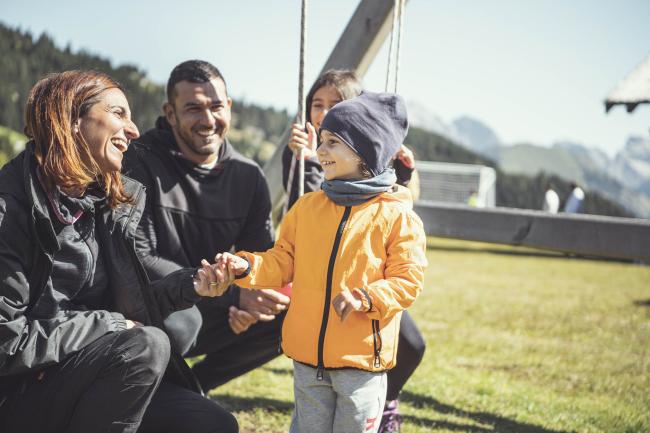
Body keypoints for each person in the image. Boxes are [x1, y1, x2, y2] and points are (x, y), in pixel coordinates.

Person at [0, 70, 237, 433]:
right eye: (119, 114)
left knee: (211, 423)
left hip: (91, 371)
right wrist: (107, 324)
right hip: (22, 391)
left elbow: (129, 308)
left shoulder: (102, 203)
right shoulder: (10, 209)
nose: (134, 130)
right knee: (147, 345)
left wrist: (193, 286)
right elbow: (7, 343)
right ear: (72, 121)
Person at [212, 91, 428, 433]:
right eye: (321, 141)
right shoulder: (307, 208)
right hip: (308, 359)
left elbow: (407, 281)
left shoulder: (397, 216)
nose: (320, 150)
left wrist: (367, 297)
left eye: (332, 142)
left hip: (360, 365)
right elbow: (282, 261)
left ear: (364, 151)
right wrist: (247, 267)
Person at [123, 59, 289, 391]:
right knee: (184, 323)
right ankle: (157, 391)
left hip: (215, 300)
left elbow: (260, 258)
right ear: (170, 113)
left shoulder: (248, 176)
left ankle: (193, 388)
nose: (208, 120)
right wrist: (231, 298)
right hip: (152, 303)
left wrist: (250, 297)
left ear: (229, 106)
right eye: (193, 109)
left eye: (216, 106)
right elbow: (139, 256)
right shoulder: (137, 161)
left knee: (289, 315)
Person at [283, 69, 427, 432]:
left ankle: (385, 402)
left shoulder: (388, 197)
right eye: (317, 105)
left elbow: (402, 209)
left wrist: (404, 171)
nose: (321, 112)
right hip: (318, 304)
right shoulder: (309, 160)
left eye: (335, 105)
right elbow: (301, 225)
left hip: (363, 308)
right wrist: (306, 160)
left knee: (410, 345)